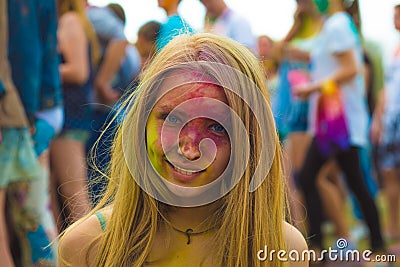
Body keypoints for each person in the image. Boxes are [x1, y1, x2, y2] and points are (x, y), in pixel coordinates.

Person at [58, 33, 308, 266]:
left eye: (217, 127)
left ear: (250, 140)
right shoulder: (88, 246)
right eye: (171, 119)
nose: (189, 152)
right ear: (141, 125)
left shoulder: (283, 249)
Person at [291, 0, 384, 255]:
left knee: (324, 179)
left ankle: (324, 247)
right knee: (341, 181)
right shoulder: (331, 26)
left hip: (340, 123)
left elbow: (352, 69)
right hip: (330, 121)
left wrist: (312, 87)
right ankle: (327, 246)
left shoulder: (338, 24)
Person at [3, 0, 62, 265]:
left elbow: (26, 54)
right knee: (34, 213)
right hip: (39, 109)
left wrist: (25, 113)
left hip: (30, 113)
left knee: (32, 217)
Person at [51, 0, 100, 230]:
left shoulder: (70, 20)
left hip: (69, 118)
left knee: (75, 195)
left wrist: (45, 71)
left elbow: (79, 71)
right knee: (61, 195)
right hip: (69, 117)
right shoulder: (77, 21)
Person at [370, 2, 400, 244]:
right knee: (389, 174)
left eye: (397, 16)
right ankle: (393, 229)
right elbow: (385, 90)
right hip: (391, 123)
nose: (394, 20)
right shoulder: (393, 50)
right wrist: (378, 120)